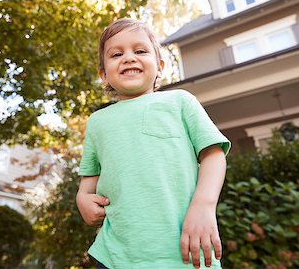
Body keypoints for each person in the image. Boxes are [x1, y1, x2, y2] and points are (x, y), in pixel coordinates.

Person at [76, 18, 231, 269]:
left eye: (140, 51)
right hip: (116, 256)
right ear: (104, 75)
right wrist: (83, 199)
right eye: (116, 54)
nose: (129, 58)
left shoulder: (180, 102)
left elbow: (214, 155)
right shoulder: (97, 122)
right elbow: (88, 182)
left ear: (159, 66)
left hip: (186, 250)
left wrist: (204, 206)